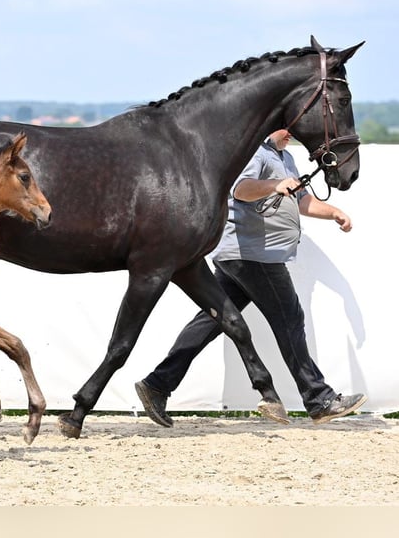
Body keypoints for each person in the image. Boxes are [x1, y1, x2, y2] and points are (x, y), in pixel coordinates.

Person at [136, 129, 367, 427]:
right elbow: (241, 189)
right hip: (254, 255)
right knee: (290, 321)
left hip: (239, 254)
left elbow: (301, 201)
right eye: (287, 129)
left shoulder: (283, 157)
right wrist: (274, 184)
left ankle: (157, 385)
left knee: (212, 320)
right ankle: (319, 399)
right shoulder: (254, 152)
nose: (291, 135)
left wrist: (334, 212)